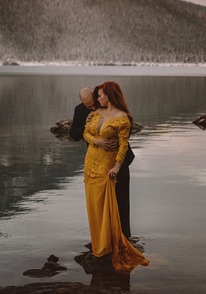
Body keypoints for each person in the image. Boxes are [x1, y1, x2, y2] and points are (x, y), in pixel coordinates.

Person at [81, 81, 148, 272]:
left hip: (106, 166)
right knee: (94, 206)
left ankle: (108, 246)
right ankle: (98, 245)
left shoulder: (122, 118)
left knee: (107, 206)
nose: (97, 99)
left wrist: (117, 166)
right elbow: (86, 133)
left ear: (109, 95)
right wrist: (98, 141)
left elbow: (123, 145)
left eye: (100, 95)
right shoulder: (95, 113)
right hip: (90, 164)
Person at [69, 87, 135, 238]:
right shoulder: (80, 110)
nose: (93, 107)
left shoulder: (108, 104)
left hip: (119, 161)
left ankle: (125, 238)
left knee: (122, 201)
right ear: (82, 103)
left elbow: (126, 126)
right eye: (88, 106)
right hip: (97, 163)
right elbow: (73, 134)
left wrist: (118, 140)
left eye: (93, 103)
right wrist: (86, 126)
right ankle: (104, 238)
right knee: (99, 205)